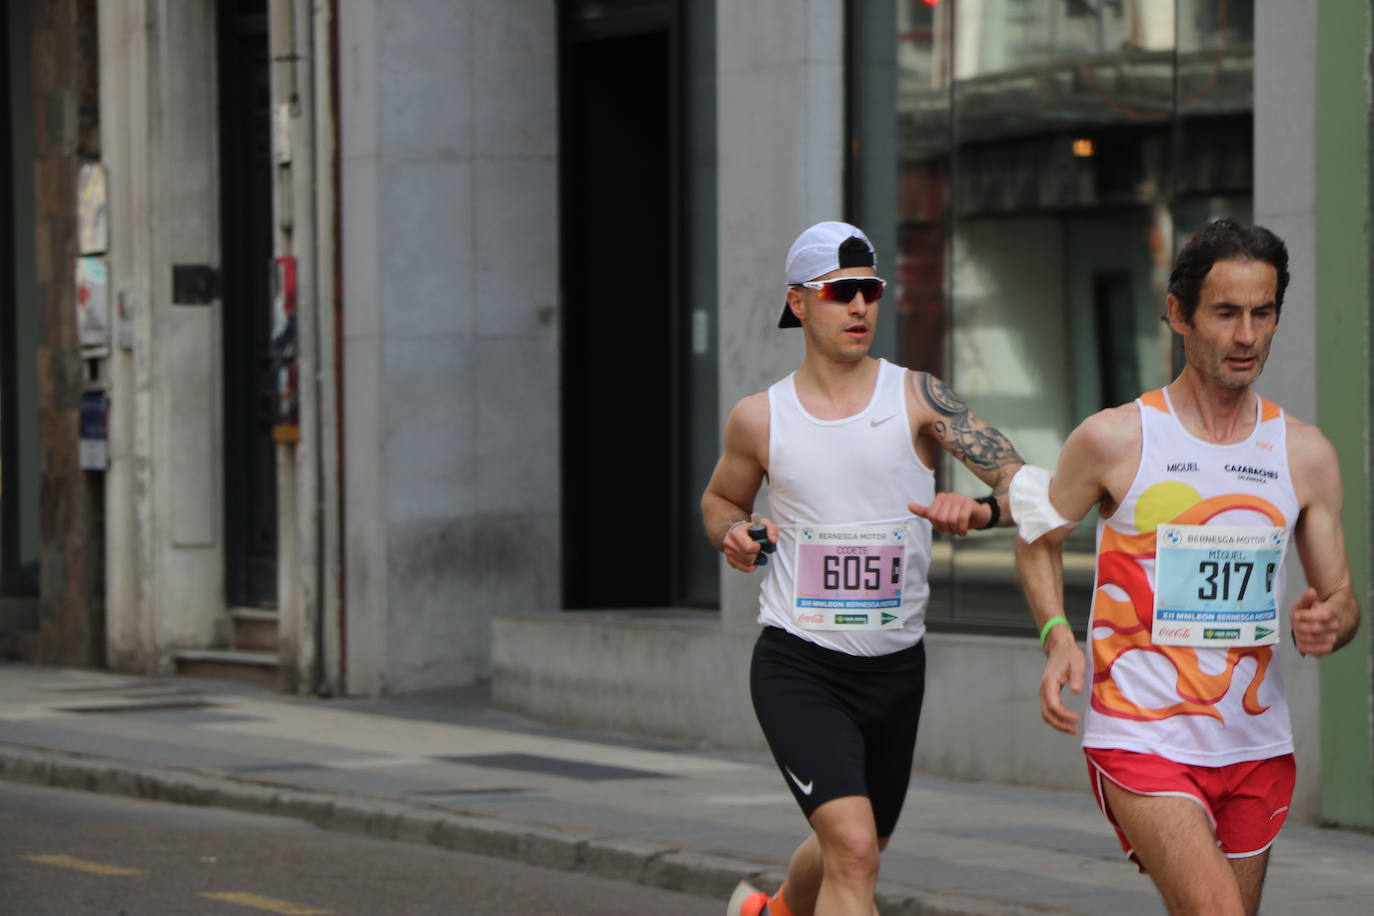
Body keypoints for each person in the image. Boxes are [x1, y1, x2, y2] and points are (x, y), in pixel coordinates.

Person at [1013, 218, 1361, 916]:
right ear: (1178, 314)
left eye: (1263, 314)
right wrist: (1057, 636)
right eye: (1226, 313)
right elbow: (1037, 533)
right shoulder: (1116, 439)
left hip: (1255, 741)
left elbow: (1342, 599)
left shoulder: (1304, 454)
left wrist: (1333, 620)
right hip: (1142, 733)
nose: (1246, 336)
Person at [702, 221, 1024, 916]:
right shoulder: (761, 418)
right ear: (799, 303)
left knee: (852, 838)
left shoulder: (919, 399)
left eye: (870, 292)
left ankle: (772, 912)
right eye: (841, 292)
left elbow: (1024, 489)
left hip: (894, 669)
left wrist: (982, 513)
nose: (859, 307)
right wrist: (734, 532)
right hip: (800, 663)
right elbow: (721, 499)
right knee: (855, 849)